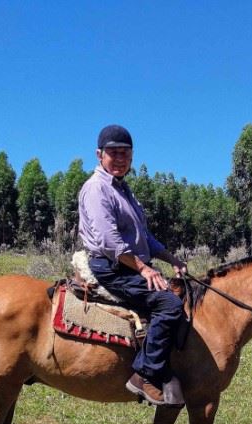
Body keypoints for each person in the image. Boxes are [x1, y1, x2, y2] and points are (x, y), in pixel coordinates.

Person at [78, 124, 188, 406]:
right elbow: (109, 240)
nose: (119, 158)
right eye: (113, 153)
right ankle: (145, 375)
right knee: (170, 305)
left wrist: (171, 259)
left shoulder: (124, 191)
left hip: (129, 264)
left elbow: (144, 238)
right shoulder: (96, 189)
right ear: (99, 154)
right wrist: (144, 269)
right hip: (112, 267)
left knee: (180, 294)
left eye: (125, 153)